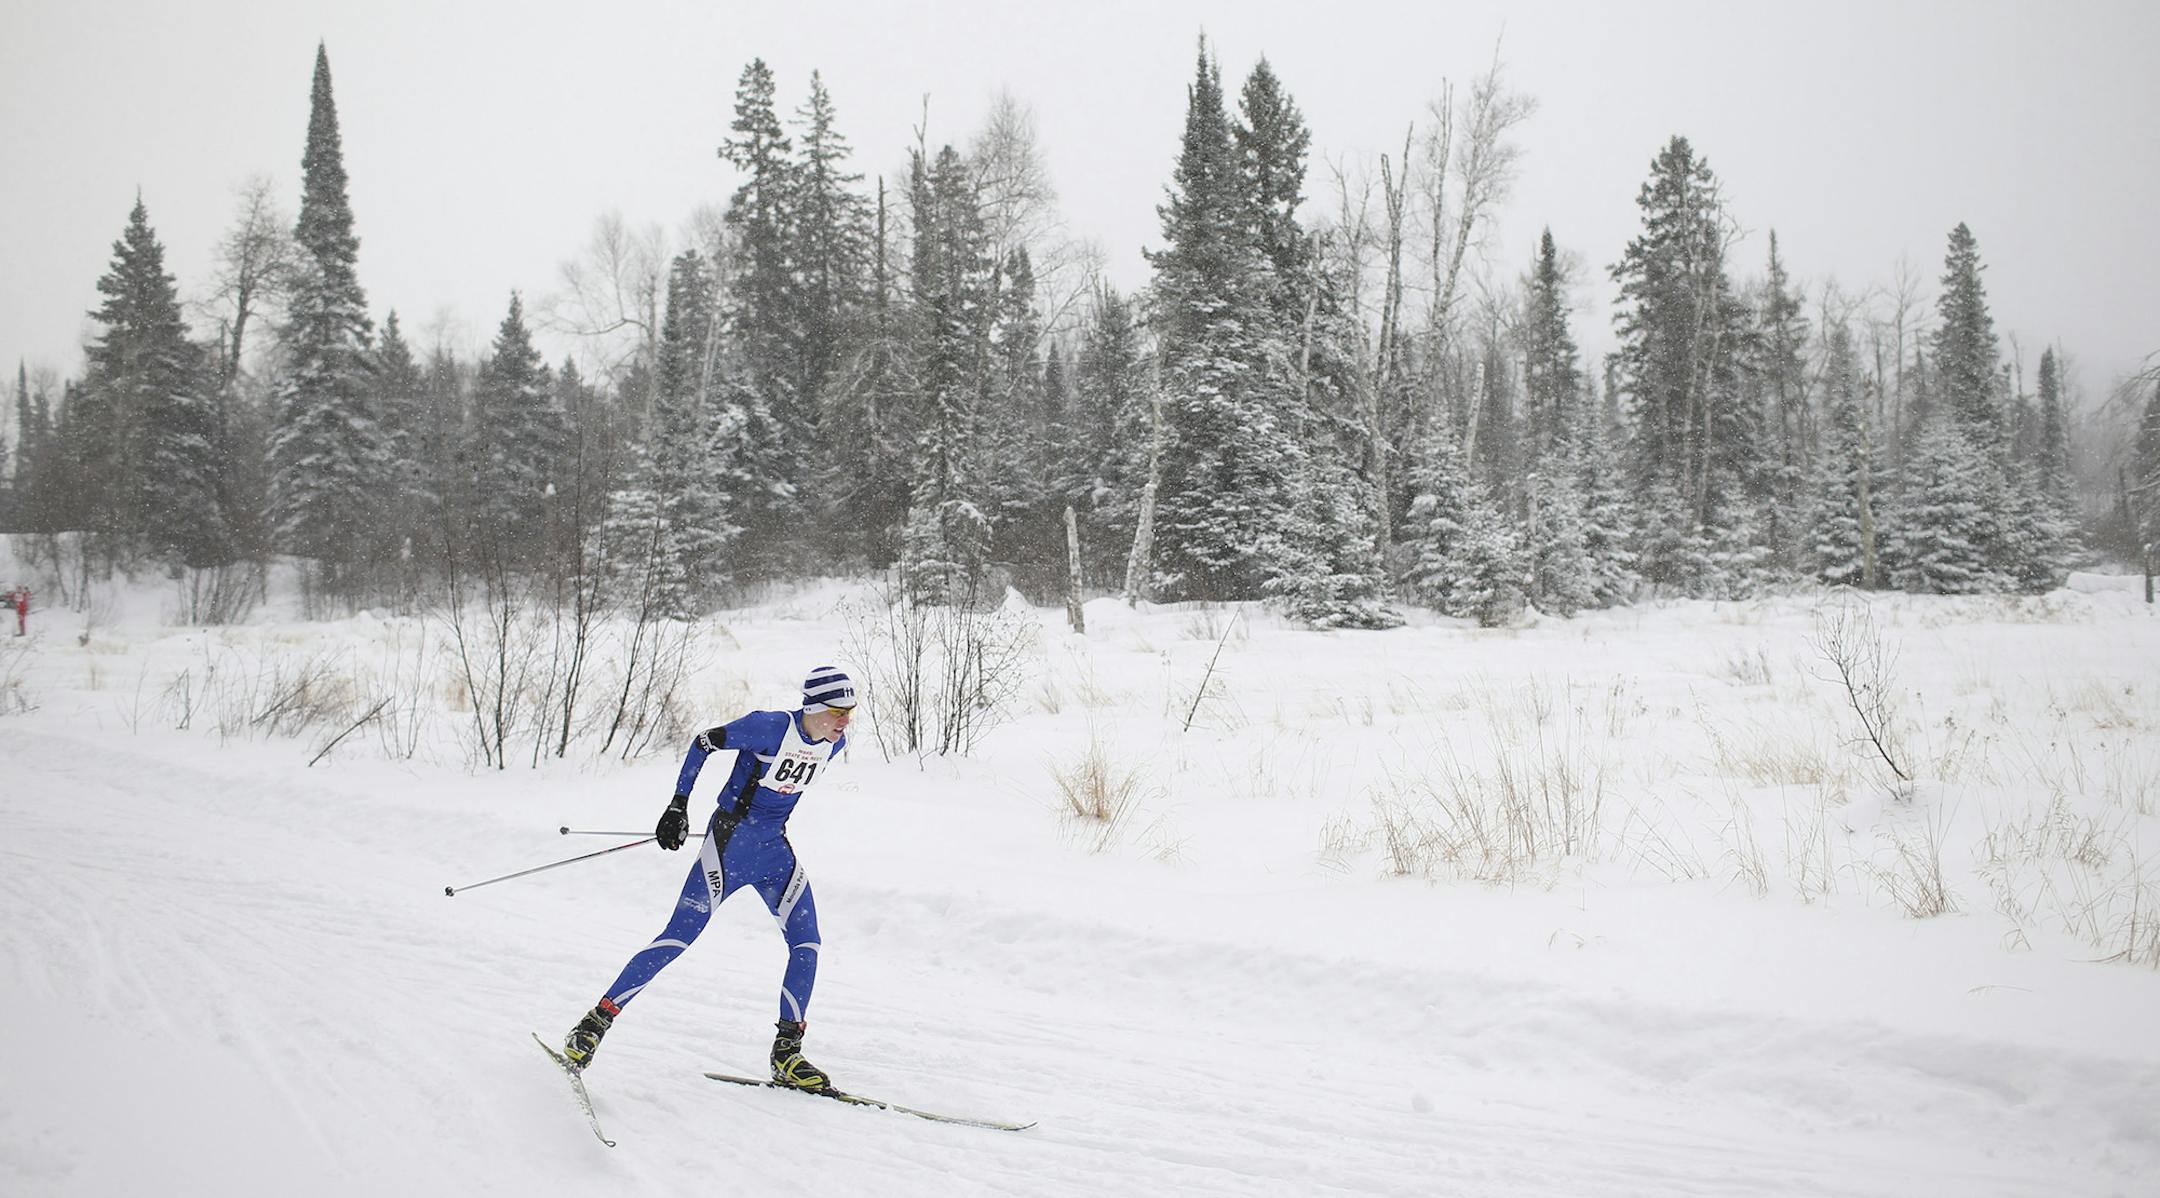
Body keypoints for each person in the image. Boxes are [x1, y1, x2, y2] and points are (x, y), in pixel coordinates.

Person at [559, 665, 856, 1089]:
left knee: (806, 942)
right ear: (813, 707)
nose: (846, 721)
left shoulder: (833, 740)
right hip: (727, 848)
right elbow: (704, 743)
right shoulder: (768, 727)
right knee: (678, 937)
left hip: (774, 853)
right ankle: (591, 1025)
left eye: (851, 711)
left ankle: (786, 1056)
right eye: (838, 711)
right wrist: (678, 806)